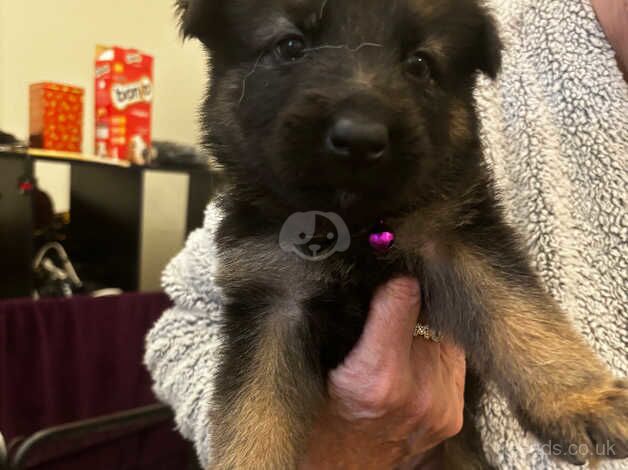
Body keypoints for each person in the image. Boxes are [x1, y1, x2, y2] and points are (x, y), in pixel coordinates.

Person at [145, 0, 627, 468]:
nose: (361, 121)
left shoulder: (443, 217)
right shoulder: (260, 225)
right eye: (291, 47)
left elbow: (476, 267)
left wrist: (568, 390)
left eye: (419, 66)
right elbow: (200, 337)